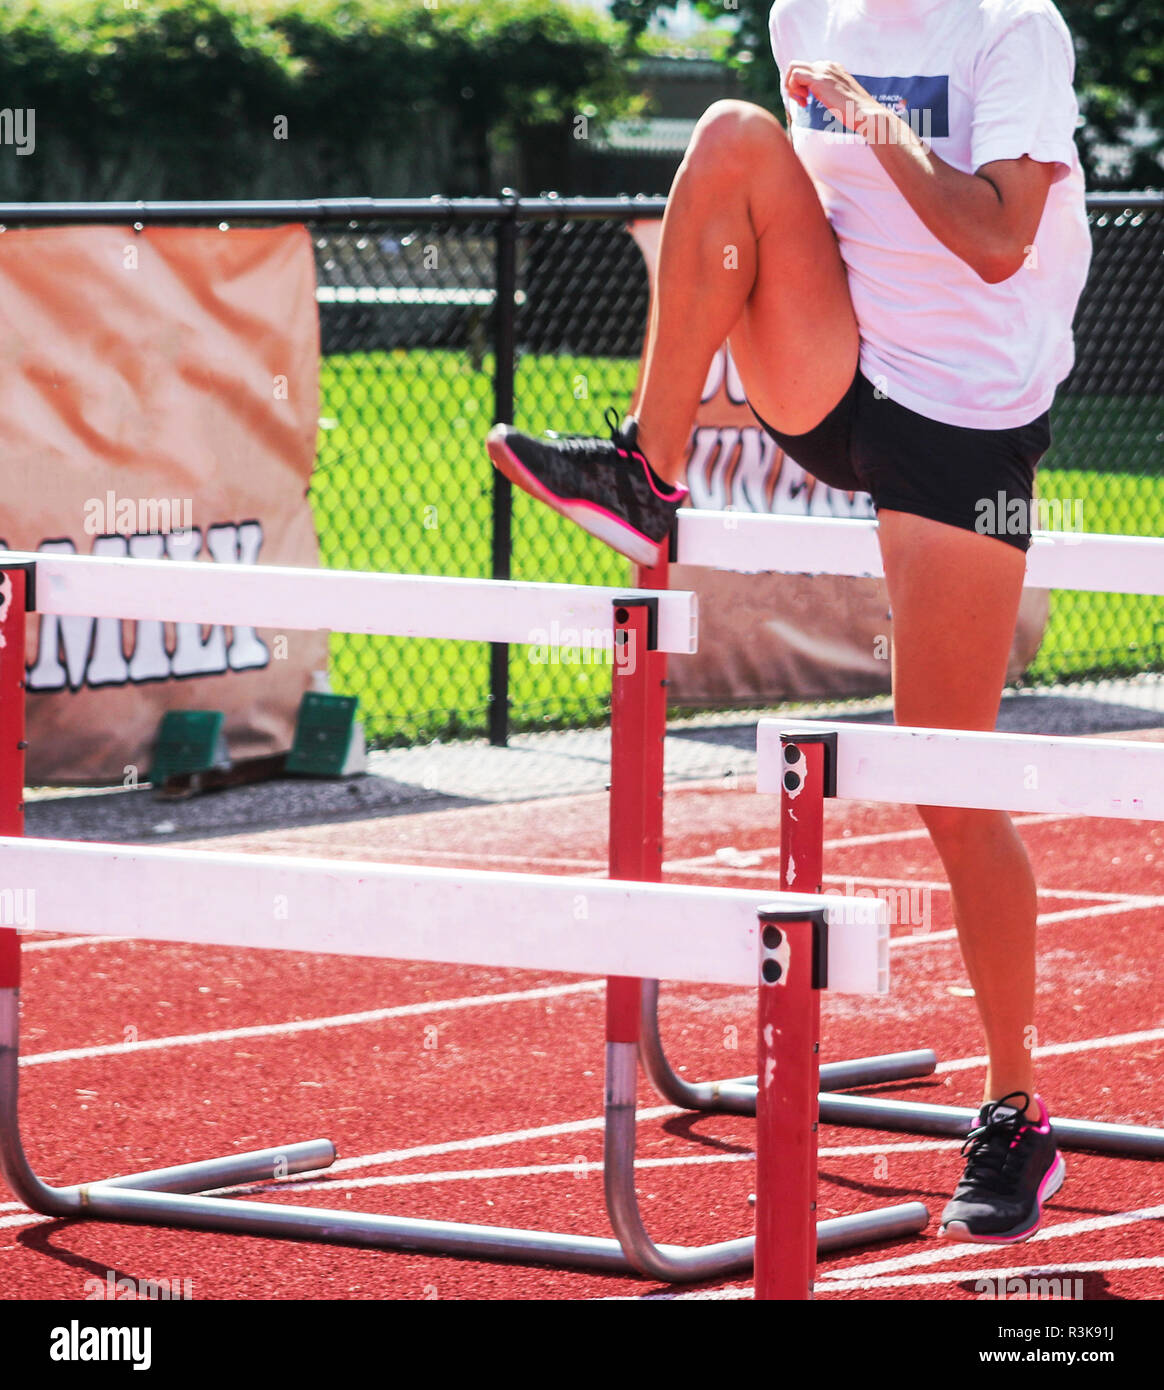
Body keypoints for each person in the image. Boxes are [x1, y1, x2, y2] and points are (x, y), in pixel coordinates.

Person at [488, 0, 1091, 1244]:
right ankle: (645, 474)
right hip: (835, 375)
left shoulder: (1012, 27)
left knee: (949, 785)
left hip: (965, 423)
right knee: (730, 133)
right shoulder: (803, 12)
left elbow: (998, 239)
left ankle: (1019, 1111)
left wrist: (876, 124)